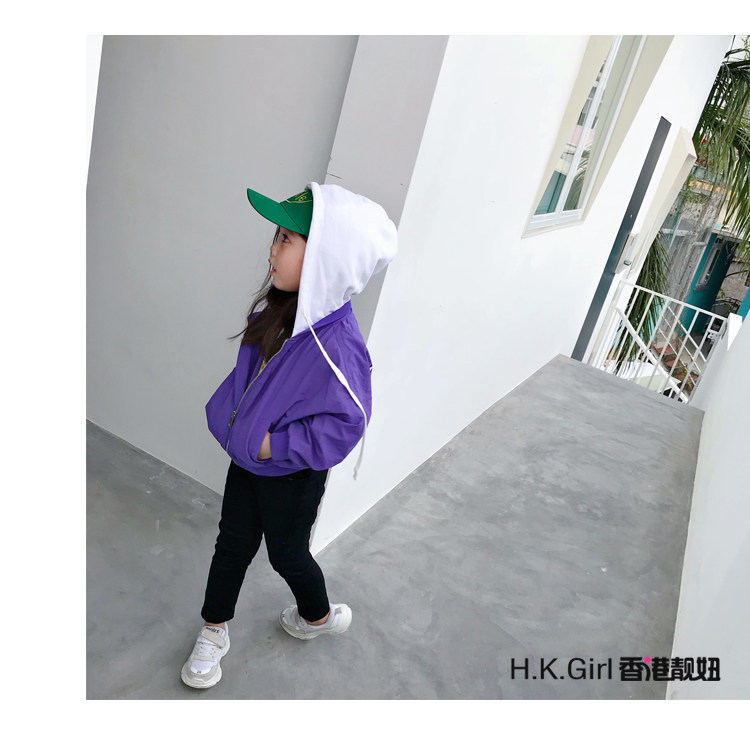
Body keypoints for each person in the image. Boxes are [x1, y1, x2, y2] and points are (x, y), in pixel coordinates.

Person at [181, 182, 398, 689]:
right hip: (247, 464)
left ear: (325, 257)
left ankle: (317, 616)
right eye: (276, 236)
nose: (272, 250)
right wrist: (239, 432)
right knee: (232, 545)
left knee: (287, 554)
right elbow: (247, 384)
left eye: (286, 239)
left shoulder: (339, 347)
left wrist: (272, 446)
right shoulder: (276, 314)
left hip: (292, 478)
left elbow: (346, 423)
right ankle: (214, 629)